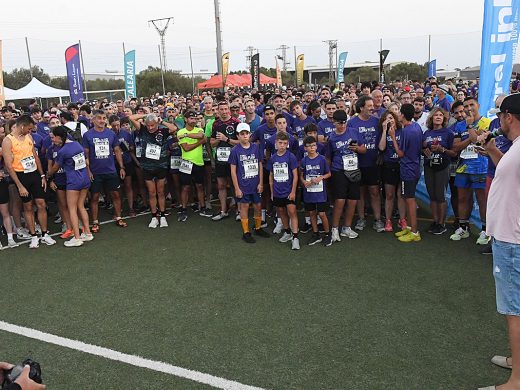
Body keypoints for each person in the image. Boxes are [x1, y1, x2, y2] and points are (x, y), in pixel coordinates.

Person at [479, 93, 520, 390]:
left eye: (500, 116)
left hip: (512, 240)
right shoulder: (515, 149)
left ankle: (517, 380)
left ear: (508, 117)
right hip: (510, 237)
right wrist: (493, 151)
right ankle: (517, 361)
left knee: (514, 310)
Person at [2, 115, 56, 249]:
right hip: (21, 176)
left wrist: (42, 175)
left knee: (41, 203)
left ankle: (44, 234)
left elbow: (35, 157)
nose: (30, 131)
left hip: (34, 174)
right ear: (22, 126)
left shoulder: (29, 137)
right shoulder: (8, 141)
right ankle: (33, 236)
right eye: (29, 129)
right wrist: (19, 185)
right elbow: (9, 166)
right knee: (28, 207)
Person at [450, 96, 490, 245]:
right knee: (462, 198)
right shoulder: (460, 125)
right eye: (465, 106)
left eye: (471, 105)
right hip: (463, 166)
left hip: (481, 166)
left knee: (482, 200)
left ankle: (485, 230)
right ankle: (463, 227)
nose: (468, 108)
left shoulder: (487, 122)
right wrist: (470, 131)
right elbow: (456, 147)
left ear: (478, 105)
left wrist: (470, 128)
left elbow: (478, 141)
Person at [47, 126, 93, 247]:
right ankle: (88, 233)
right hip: (85, 179)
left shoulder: (63, 151)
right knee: (81, 206)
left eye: (54, 138)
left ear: (58, 137)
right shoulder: (77, 145)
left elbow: (55, 168)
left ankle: (77, 237)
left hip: (73, 182)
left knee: (72, 208)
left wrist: (48, 175)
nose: (53, 140)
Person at [82, 109, 127, 232]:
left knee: (116, 195)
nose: (102, 121)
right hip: (95, 172)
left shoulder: (111, 134)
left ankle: (118, 217)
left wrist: (121, 167)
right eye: (99, 118)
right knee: (95, 197)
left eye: (103, 118)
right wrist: (88, 170)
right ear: (93, 120)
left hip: (110, 170)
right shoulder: (87, 135)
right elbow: (85, 154)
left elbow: (117, 150)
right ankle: (95, 222)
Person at [129, 113, 176, 228]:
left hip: (161, 165)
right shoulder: (143, 129)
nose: (150, 128)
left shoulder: (163, 131)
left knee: (160, 192)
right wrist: (147, 114)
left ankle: (163, 215)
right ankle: (154, 216)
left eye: (153, 125)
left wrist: (162, 121)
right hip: (147, 166)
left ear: (157, 123)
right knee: (151, 192)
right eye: (148, 125)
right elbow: (131, 118)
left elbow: (174, 128)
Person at [327, 109, 366, 243]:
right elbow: (328, 158)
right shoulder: (331, 137)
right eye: (339, 123)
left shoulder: (353, 132)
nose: (342, 125)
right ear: (334, 123)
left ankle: (347, 227)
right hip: (339, 170)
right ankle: (334, 229)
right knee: (340, 200)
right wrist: (329, 173)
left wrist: (357, 149)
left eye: (344, 123)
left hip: (354, 169)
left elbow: (364, 148)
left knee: (353, 200)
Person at [348, 96, 384, 233]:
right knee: (360, 192)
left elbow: (382, 141)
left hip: (373, 163)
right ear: (361, 107)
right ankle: (361, 218)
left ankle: (377, 219)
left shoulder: (377, 121)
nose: (372, 108)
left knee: (374, 191)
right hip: (357, 164)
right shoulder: (352, 123)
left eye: (372, 105)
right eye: (369, 106)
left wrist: (381, 155)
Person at [229, 122, 270, 243]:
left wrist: (261, 183)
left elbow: (260, 165)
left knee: (258, 205)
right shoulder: (235, 150)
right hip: (243, 185)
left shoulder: (255, 148)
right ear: (238, 136)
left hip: (255, 184)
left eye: (246, 133)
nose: (245, 136)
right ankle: (246, 232)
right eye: (242, 134)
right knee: (244, 206)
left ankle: (257, 228)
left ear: (250, 134)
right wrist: (237, 188)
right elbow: (233, 171)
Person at [389, 104, 423, 242]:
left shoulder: (406, 131)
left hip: (408, 169)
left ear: (402, 115)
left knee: (409, 200)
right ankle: (409, 227)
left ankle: (414, 232)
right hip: (414, 167)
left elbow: (400, 153)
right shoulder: (416, 127)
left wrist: (392, 137)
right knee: (408, 198)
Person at [422, 108, 456, 235]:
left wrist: (442, 149)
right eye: (435, 115)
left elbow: (453, 153)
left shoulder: (448, 133)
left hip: (443, 166)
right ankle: (435, 221)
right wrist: (424, 150)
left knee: (440, 196)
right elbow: (423, 149)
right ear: (431, 118)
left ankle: (441, 224)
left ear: (444, 118)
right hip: (429, 166)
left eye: (441, 115)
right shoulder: (427, 133)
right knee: (432, 196)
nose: (438, 117)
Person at [267, 131, 300, 250]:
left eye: (284, 143)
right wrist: (272, 192)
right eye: (280, 143)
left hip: (288, 191)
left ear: (287, 144)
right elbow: (271, 175)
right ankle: (287, 232)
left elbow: (295, 176)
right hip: (277, 191)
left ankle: (295, 237)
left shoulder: (291, 157)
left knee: (292, 212)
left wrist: (293, 191)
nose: (282, 145)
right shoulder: (273, 158)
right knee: (281, 211)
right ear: (276, 143)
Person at [210, 101, 240, 221]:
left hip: (233, 159)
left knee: (234, 185)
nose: (223, 111)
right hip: (220, 160)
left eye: (225, 109)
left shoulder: (236, 123)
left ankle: (239, 210)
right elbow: (212, 143)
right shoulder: (216, 124)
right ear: (218, 110)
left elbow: (241, 142)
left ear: (229, 110)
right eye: (221, 109)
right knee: (221, 185)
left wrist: (226, 139)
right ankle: (223, 211)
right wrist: (218, 140)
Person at [299, 135, 331, 246]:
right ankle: (315, 233)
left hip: (320, 193)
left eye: (313, 145)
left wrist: (320, 178)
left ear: (316, 146)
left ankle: (328, 234)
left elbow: (328, 173)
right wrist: (303, 181)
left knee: (322, 214)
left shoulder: (322, 159)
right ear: (305, 148)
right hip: (309, 192)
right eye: (309, 146)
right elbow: (301, 175)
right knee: (312, 213)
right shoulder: (304, 160)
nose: (312, 148)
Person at [378, 110, 407, 232]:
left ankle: (402, 219)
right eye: (386, 118)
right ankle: (388, 220)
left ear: (395, 118)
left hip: (401, 165)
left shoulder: (402, 131)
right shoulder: (383, 132)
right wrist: (385, 131)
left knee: (401, 195)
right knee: (389, 195)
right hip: (389, 166)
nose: (389, 120)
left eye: (391, 117)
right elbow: (381, 147)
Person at [177, 110, 207, 222]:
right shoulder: (180, 132)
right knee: (185, 187)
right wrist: (200, 142)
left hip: (199, 162)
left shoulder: (197, 129)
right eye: (191, 118)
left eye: (195, 119)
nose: (194, 120)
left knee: (199, 186)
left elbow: (201, 135)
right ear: (185, 119)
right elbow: (186, 148)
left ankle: (203, 207)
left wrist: (187, 135)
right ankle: (184, 209)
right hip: (186, 162)